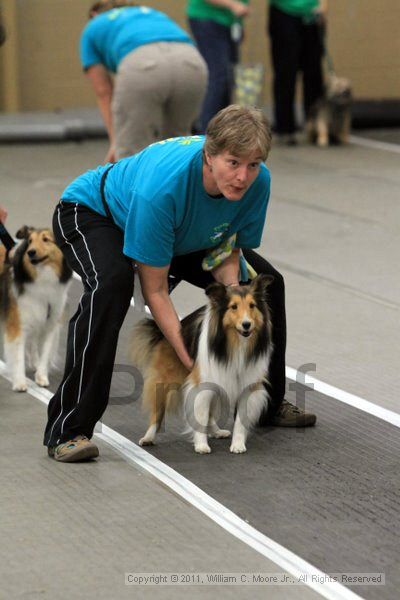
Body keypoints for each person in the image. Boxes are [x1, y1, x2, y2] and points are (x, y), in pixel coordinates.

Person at [44, 104, 316, 463]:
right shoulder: (163, 189)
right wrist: (191, 360)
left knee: (265, 285)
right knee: (112, 286)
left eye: (252, 165)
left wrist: (234, 293)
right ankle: (69, 429)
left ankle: (262, 403)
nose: (242, 177)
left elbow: (230, 246)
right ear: (209, 155)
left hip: (184, 232)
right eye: (233, 163)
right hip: (95, 213)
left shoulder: (257, 182)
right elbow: (154, 291)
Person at [81, 1, 208, 162]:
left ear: (94, 15)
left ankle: (134, 184)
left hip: (143, 64)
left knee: (133, 153)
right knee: (178, 145)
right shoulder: (149, 12)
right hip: (191, 62)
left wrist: (116, 140)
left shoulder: (93, 27)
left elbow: (103, 91)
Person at [267, 0, 327, 145]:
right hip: (284, 13)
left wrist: (323, 6)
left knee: (314, 74)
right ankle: (285, 128)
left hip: (312, 16)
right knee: (286, 73)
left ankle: (315, 127)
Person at [187, 0, 250, 133]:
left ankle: (221, 131)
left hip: (229, 22)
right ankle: (204, 134)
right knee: (218, 76)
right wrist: (233, 5)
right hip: (207, 18)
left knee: (228, 79)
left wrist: (238, 23)